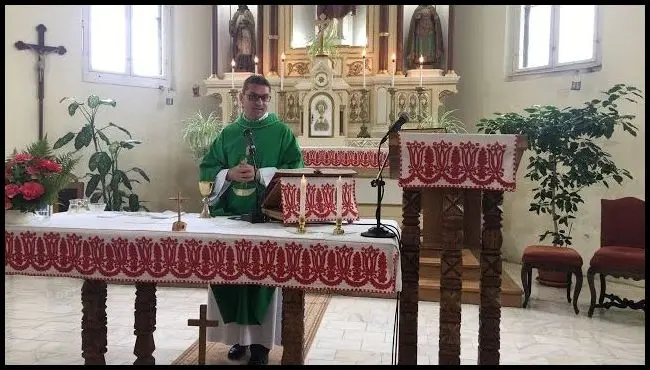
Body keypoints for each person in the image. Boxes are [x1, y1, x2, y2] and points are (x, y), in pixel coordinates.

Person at [199, 74, 304, 365]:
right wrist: (228, 174)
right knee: (231, 276)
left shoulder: (281, 132)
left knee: (262, 279)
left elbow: (296, 170)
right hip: (230, 216)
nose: (259, 102)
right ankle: (237, 341)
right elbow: (208, 167)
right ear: (241, 98)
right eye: (253, 96)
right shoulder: (228, 133)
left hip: (268, 217)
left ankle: (261, 346)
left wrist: (262, 174)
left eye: (264, 97)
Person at [405, 5, 445, 70]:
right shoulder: (418, 9)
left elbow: (437, 20)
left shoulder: (432, 9)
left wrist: (435, 17)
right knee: (420, 45)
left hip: (430, 31)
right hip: (419, 32)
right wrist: (417, 17)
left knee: (430, 44)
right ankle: (418, 60)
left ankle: (430, 60)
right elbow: (413, 21)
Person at [230, 5, 256, 73]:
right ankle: (239, 66)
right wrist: (234, 28)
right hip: (239, 35)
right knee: (239, 50)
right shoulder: (236, 14)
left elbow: (252, 25)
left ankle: (247, 67)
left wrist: (247, 24)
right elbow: (232, 25)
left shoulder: (248, 13)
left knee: (246, 50)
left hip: (246, 35)